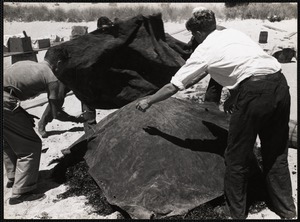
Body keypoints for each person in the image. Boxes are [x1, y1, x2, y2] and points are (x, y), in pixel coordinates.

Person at [136, 9, 296, 219]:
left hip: (254, 93)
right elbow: (248, 64)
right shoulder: (232, 33)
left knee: (236, 156)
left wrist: (148, 100)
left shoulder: (204, 50)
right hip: (279, 86)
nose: (193, 39)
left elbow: (174, 86)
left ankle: (236, 212)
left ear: (199, 34)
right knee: (276, 153)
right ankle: (287, 210)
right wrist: (234, 95)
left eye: (193, 36)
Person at [3, 59, 84, 205]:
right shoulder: (54, 78)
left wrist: (22, 114)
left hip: (6, 99)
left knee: (8, 140)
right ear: (59, 65)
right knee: (31, 146)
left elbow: (11, 89)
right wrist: (77, 119)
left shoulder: (33, 65)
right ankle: (22, 192)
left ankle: (13, 176)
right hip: (6, 102)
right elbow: (56, 113)